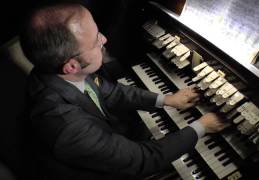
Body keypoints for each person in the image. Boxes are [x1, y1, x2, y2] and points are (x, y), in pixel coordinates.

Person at [19, 2, 228, 180]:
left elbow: (110, 92)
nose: (104, 40)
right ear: (71, 66)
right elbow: (144, 160)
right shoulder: (67, 128)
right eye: (95, 41)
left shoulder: (60, 70)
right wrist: (201, 126)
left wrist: (166, 99)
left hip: (106, 135)